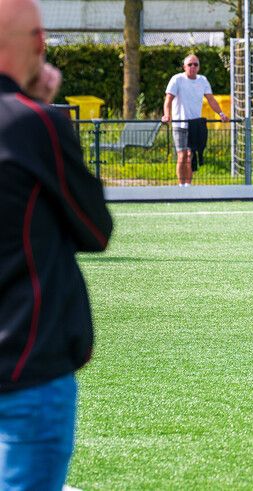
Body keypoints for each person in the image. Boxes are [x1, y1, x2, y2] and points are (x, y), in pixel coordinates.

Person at [0, 0, 114, 488]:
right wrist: (45, 108)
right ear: (36, 43)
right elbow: (95, 228)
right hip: (25, 366)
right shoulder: (33, 125)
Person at [161, 54, 228, 186]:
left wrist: (221, 113)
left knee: (191, 156)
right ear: (184, 67)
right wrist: (166, 115)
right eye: (189, 64)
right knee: (182, 155)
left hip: (194, 125)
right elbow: (168, 100)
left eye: (195, 64)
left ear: (199, 67)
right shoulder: (177, 79)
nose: (192, 67)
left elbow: (211, 100)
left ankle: (188, 186)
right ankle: (181, 186)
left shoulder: (203, 80)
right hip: (180, 125)